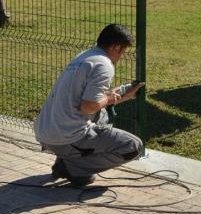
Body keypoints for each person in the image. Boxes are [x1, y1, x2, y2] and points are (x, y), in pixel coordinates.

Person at [34, 23, 145, 187]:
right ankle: (74, 168)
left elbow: (88, 100)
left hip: (45, 131)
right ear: (116, 47)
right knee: (133, 147)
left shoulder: (85, 56)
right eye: (122, 52)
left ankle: (65, 161)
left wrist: (120, 96)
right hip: (65, 137)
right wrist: (107, 99)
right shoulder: (104, 65)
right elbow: (88, 107)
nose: (120, 57)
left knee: (102, 115)